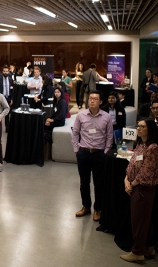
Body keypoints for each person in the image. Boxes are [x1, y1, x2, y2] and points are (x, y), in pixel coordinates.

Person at [120, 118, 158, 264]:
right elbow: (132, 163)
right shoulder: (141, 144)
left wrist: (132, 184)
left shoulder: (153, 148)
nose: (139, 128)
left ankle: (137, 253)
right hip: (134, 185)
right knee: (143, 221)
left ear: (150, 129)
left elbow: (146, 172)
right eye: (138, 126)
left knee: (139, 222)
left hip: (143, 189)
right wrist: (126, 180)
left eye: (142, 126)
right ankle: (148, 247)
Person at [71, 90, 113, 222]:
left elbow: (109, 136)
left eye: (95, 99)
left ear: (100, 102)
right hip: (83, 153)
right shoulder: (81, 115)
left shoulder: (106, 117)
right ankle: (86, 206)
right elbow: (75, 133)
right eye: (90, 98)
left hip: (99, 154)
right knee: (84, 183)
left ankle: (98, 209)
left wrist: (105, 152)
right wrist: (76, 149)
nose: (92, 101)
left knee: (98, 183)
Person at [0, 65, 14, 131]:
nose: (5, 72)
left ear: (9, 72)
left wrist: (12, 98)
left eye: (7, 71)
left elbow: (12, 90)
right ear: (2, 72)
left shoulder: (10, 79)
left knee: (7, 113)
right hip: (0, 98)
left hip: (8, 98)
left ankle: (7, 128)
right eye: (4, 71)